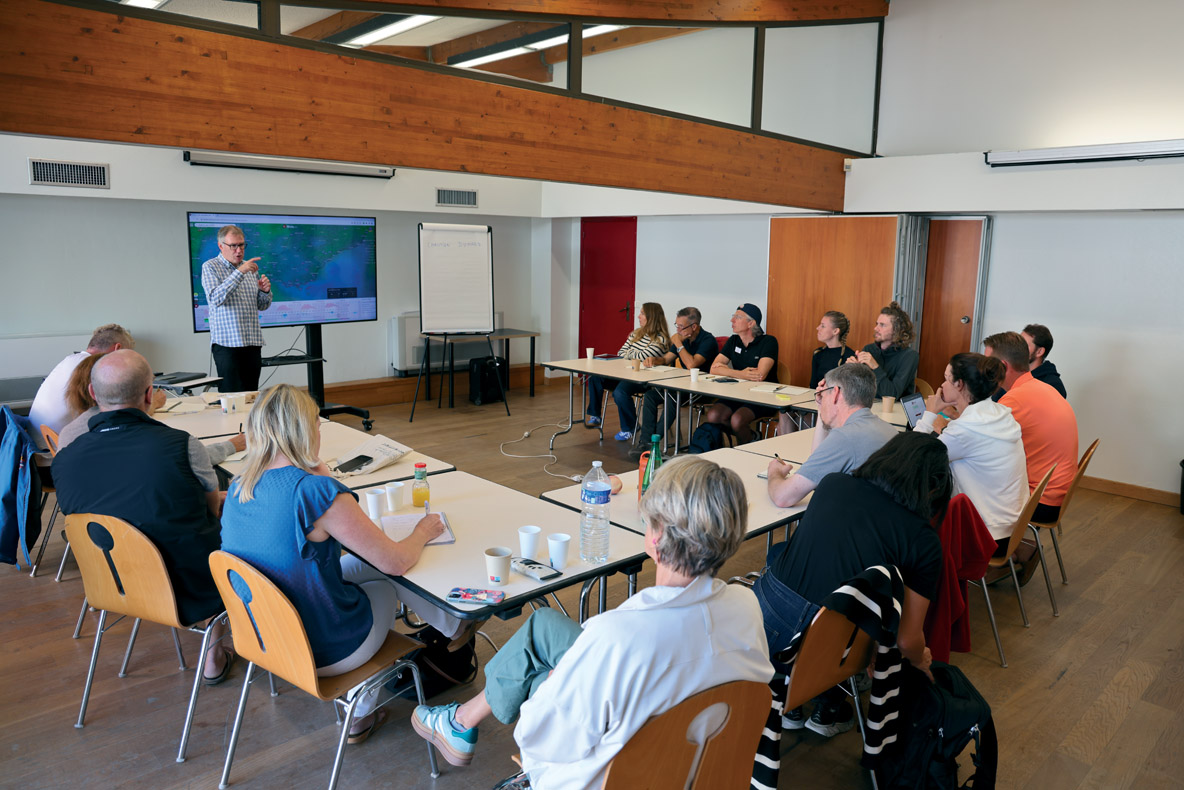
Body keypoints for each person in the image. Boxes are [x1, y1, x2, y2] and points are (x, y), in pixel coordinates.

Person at [409, 456, 773, 787]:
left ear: (656, 537)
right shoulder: (746, 606)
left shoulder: (617, 636)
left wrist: (553, 685)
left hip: (624, 776)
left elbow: (539, 739)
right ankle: (462, 721)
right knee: (545, 631)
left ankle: (462, 724)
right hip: (709, 770)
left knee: (541, 678)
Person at [219, 383, 469, 742]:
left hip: (264, 637)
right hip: (324, 649)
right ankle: (360, 714)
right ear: (305, 431)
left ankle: (453, 627)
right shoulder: (315, 491)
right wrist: (421, 532)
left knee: (363, 563)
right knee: (384, 575)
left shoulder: (242, 484)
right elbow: (395, 561)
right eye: (317, 425)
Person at [754, 432, 952, 735]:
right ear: (933, 488)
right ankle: (827, 703)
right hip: (824, 657)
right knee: (858, 611)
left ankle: (794, 704)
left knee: (780, 555)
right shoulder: (922, 540)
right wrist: (922, 658)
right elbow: (907, 639)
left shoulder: (834, 483)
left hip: (760, 624)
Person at [52, 350, 229, 682]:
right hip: (190, 589)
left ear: (92, 393)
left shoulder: (66, 458)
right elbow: (210, 511)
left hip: (111, 583)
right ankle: (213, 656)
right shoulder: (181, 445)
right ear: (150, 395)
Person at [983, 331, 1078, 583]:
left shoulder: (1015, 398)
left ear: (1002, 366)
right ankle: (1020, 550)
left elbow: (980, 446)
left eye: (987, 363)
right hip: (1056, 492)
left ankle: (989, 559)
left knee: (959, 489)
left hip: (1041, 500)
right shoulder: (1040, 388)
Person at [914, 353, 1028, 542]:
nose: (942, 386)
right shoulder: (1000, 413)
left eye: (946, 379)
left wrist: (929, 413)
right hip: (1011, 525)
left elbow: (911, 457)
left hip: (985, 533)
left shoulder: (965, 430)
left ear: (959, 384)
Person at [56, 353, 246, 463]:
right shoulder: (165, 444)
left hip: (90, 529)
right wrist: (232, 445)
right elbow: (193, 460)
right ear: (148, 394)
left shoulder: (68, 437)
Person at [766, 363, 896, 508]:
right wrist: (822, 408)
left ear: (835, 394)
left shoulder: (845, 438)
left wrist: (774, 473)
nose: (820, 398)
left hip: (849, 524)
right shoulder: (890, 430)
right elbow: (819, 466)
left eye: (824, 393)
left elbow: (783, 497)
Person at [29, 323, 137, 447]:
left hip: (41, 442)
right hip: (54, 451)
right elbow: (116, 413)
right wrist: (152, 403)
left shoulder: (71, 360)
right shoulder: (95, 368)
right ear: (117, 349)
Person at [634, 306, 718, 451]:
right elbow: (667, 359)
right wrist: (654, 360)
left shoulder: (708, 340)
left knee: (672, 398)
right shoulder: (683, 338)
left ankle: (653, 444)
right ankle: (645, 441)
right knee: (651, 395)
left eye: (681, 326)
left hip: (703, 389)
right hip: (684, 385)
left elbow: (692, 364)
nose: (678, 330)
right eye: (676, 325)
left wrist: (678, 344)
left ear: (694, 326)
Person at [200, 224, 273, 392]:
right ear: (221, 246)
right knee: (231, 399)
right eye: (233, 246)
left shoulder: (250, 268)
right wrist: (240, 272)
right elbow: (215, 298)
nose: (238, 250)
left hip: (252, 343)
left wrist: (265, 291)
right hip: (227, 345)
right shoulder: (210, 267)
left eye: (241, 245)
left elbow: (262, 306)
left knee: (251, 396)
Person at [585, 302, 670, 441]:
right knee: (596, 377)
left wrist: (632, 352)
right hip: (626, 373)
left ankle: (630, 427)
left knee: (620, 392)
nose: (638, 316)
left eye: (642, 313)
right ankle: (595, 414)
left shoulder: (662, 339)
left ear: (651, 317)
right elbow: (621, 352)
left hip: (644, 379)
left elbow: (645, 357)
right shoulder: (636, 334)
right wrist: (635, 353)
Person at [704, 303, 779, 443]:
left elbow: (759, 375)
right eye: (734, 316)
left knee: (737, 420)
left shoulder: (768, 341)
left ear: (751, 323)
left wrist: (726, 371)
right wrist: (741, 374)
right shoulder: (733, 341)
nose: (732, 321)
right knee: (713, 415)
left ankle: (746, 452)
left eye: (737, 317)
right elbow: (713, 369)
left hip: (763, 396)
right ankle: (750, 437)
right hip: (738, 394)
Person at [779, 310, 858, 434]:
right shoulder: (818, 354)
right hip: (816, 400)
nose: (817, 328)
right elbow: (813, 385)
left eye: (823, 326)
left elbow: (846, 391)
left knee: (807, 420)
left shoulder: (849, 356)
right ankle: (786, 450)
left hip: (834, 405)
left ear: (835, 331)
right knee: (784, 412)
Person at [846, 301, 918, 398]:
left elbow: (892, 395)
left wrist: (875, 367)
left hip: (895, 410)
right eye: (877, 324)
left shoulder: (910, 356)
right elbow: (856, 388)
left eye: (882, 325)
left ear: (897, 330)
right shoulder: (869, 349)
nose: (876, 328)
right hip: (870, 406)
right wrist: (851, 369)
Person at [1022, 323, 1067, 398]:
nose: (1016, 348)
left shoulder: (1053, 385)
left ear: (1039, 352)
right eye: (1018, 343)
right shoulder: (1011, 374)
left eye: (1024, 345)